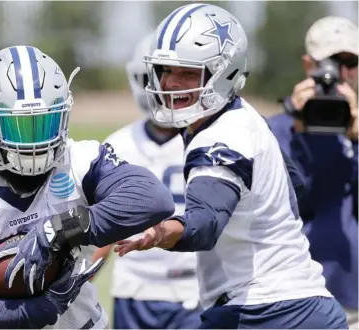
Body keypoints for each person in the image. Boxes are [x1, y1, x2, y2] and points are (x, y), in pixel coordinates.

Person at [114, 4, 348, 328]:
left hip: (267, 313)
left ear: (223, 72)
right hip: (302, 307)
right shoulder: (246, 118)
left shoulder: (223, 135)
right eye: (165, 69)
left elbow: (204, 223)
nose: (169, 83)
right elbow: (296, 186)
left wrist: (159, 232)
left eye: (186, 72)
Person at [0, 45, 175, 329]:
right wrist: (45, 307)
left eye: (46, 123)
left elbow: (153, 199)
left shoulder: (80, 159)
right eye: (19, 127)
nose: (34, 143)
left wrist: (62, 229)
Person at [91, 32, 202, 329]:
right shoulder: (119, 145)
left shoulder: (206, 140)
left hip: (196, 288)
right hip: (136, 288)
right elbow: (101, 225)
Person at [267, 16, 358, 328]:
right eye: (332, 62)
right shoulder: (274, 130)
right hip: (288, 297)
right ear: (309, 65)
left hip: (351, 296)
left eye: (352, 62)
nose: (342, 74)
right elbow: (277, 200)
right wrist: (299, 128)